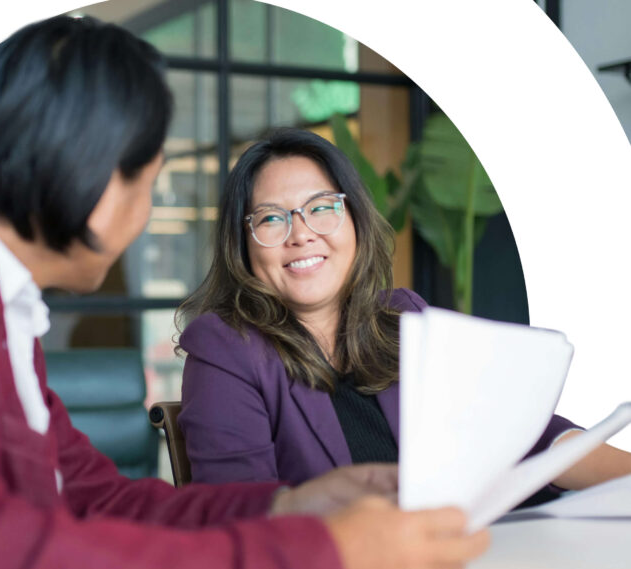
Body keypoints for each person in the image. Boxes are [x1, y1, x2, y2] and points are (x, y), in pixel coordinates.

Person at [0, 17, 489, 569]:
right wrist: (321, 552)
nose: (144, 216)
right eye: (147, 184)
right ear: (91, 181)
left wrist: (290, 509)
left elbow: (86, 497)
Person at [176, 128, 631, 496]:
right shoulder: (224, 349)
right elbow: (239, 511)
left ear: (355, 220)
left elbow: (523, 430)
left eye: (322, 208)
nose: (302, 234)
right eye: (272, 218)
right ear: (243, 243)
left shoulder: (401, 318)